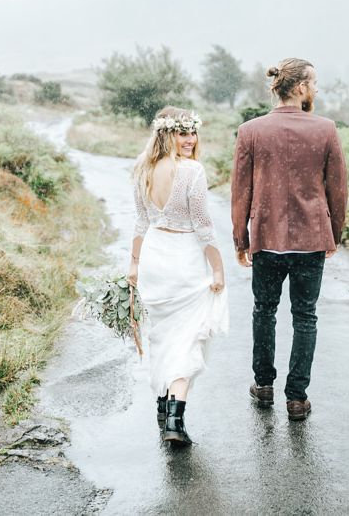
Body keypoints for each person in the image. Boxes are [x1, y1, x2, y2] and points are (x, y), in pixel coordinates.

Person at [231, 58, 348, 421]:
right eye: (313, 83)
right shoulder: (326, 129)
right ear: (299, 88)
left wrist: (241, 238)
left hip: (266, 238)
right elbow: (338, 189)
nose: (316, 89)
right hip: (311, 239)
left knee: (264, 312)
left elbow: (240, 191)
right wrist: (336, 234)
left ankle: (263, 385)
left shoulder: (250, 131)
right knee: (305, 317)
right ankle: (297, 398)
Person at [128, 106, 229, 447]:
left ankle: (162, 401)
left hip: (155, 259)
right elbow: (202, 225)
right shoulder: (191, 171)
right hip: (184, 259)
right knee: (187, 338)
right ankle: (175, 418)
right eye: (183, 132)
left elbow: (142, 224)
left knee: (164, 336)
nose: (190, 139)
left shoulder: (143, 169)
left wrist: (134, 264)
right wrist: (217, 267)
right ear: (167, 134)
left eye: (193, 132)